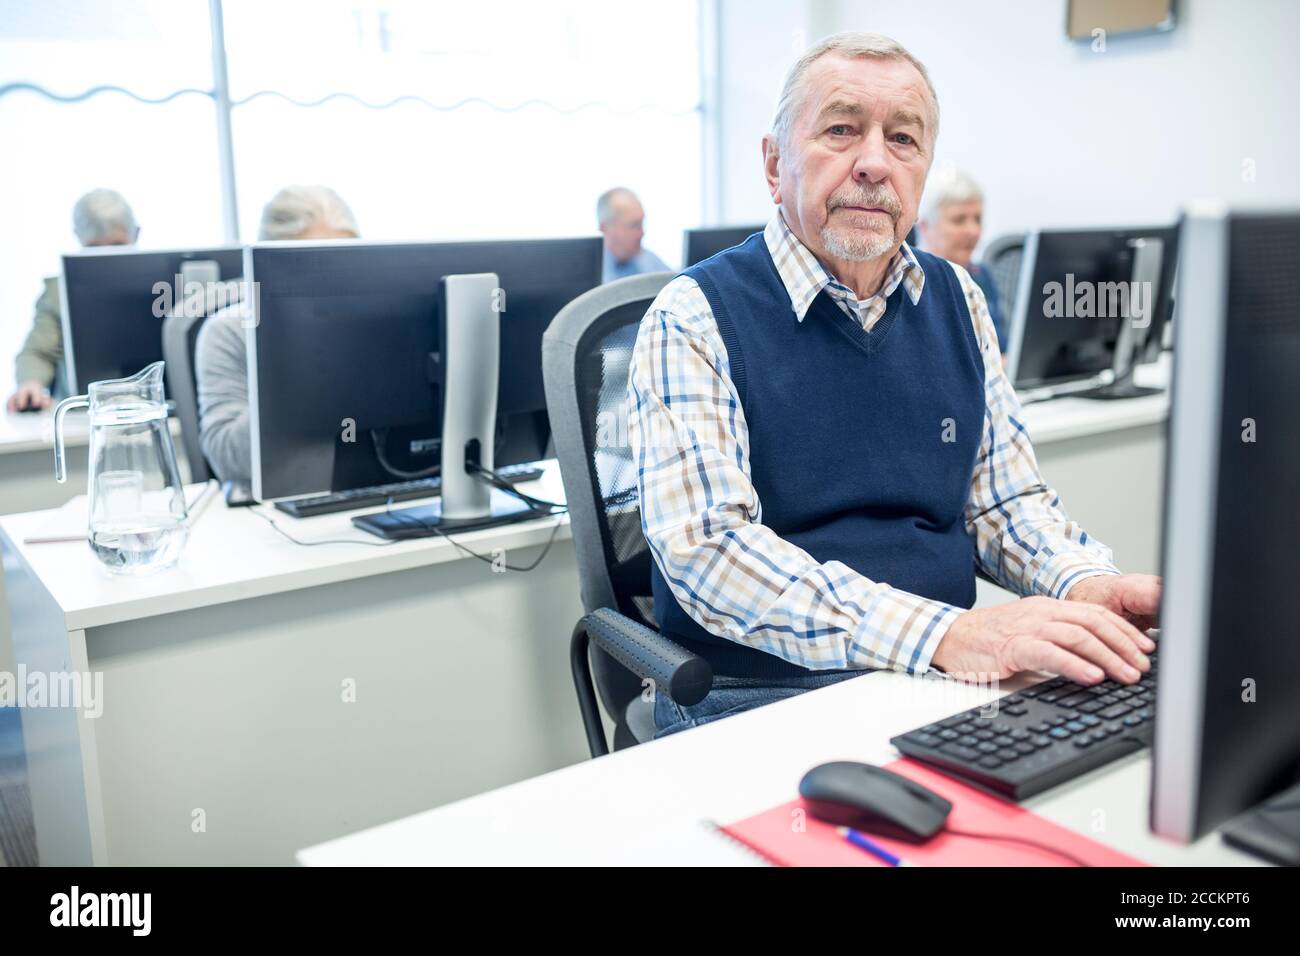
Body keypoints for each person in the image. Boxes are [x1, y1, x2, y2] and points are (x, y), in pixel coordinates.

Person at [628, 32, 1160, 739]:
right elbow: (710, 554)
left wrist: (1087, 584)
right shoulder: (693, 313)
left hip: (942, 685)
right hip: (758, 696)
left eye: (903, 140)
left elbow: (1002, 504)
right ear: (773, 161)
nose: (874, 164)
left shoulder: (958, 299)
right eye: (842, 129)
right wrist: (945, 636)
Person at [195, 185, 359, 482]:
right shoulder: (227, 332)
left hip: (372, 493)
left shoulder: (371, 325)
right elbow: (229, 462)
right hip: (286, 504)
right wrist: (287, 352)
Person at [7, 189, 138, 412]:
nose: (105, 256)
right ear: (79, 238)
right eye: (95, 247)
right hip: (82, 419)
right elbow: (37, 352)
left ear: (136, 234)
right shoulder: (59, 292)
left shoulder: (162, 286)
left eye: (117, 245)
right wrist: (31, 383)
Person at [918, 169, 1009, 354]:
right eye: (959, 220)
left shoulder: (981, 275)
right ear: (925, 227)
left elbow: (1001, 348)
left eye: (978, 219)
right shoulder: (909, 282)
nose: (973, 231)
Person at [597, 187, 668, 282]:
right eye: (634, 226)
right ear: (605, 228)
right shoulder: (587, 271)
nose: (642, 233)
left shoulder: (651, 262)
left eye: (641, 224)